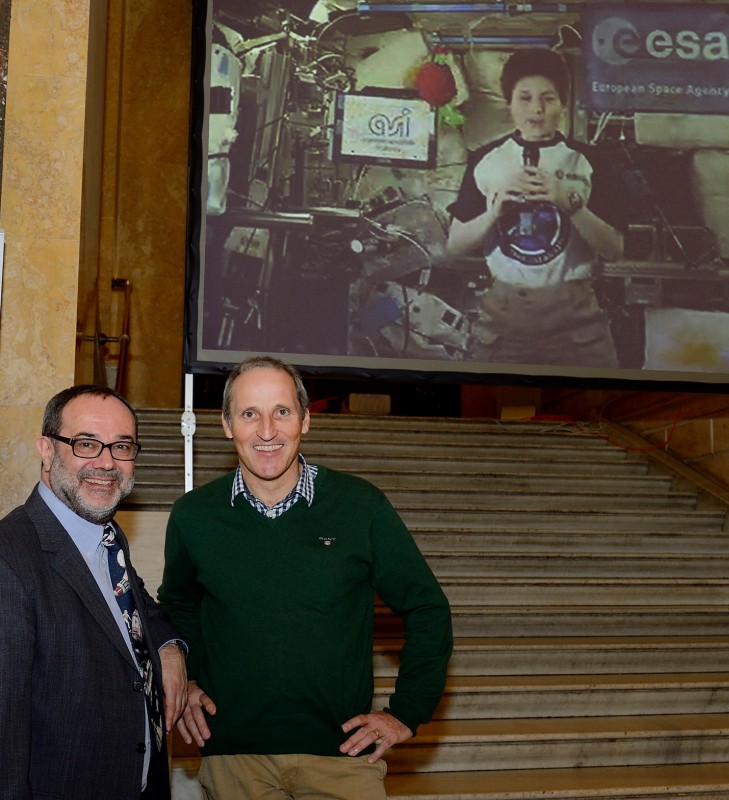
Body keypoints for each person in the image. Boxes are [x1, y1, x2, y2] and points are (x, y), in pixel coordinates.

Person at [158, 355, 453, 800]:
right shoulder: (194, 515)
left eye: (282, 411)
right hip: (235, 760)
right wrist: (188, 681)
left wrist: (406, 712)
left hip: (342, 759)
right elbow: (178, 607)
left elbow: (427, 608)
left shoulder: (360, 507)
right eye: (249, 414)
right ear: (226, 425)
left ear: (306, 420)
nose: (267, 431)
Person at [0, 385, 188, 800]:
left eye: (122, 446)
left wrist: (169, 648)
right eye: (86, 444)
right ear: (46, 450)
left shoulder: (105, 534)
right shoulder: (10, 559)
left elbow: (134, 605)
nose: (107, 462)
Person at [447, 48, 624, 366]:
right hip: (503, 326)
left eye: (548, 99)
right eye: (525, 98)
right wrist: (494, 212)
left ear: (563, 104)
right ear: (509, 103)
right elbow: (454, 247)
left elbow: (614, 249)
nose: (536, 110)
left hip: (578, 326)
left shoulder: (589, 161)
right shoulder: (486, 160)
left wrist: (570, 205)